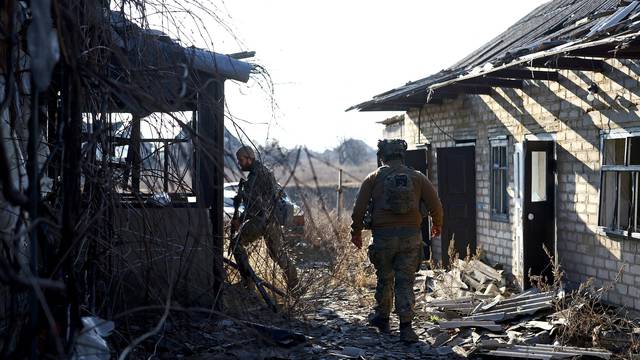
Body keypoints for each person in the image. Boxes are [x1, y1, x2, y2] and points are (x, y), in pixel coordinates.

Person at [350, 139, 443, 343]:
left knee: (385, 278)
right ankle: (406, 328)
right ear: (402, 155)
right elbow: (435, 204)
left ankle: (382, 318)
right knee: (405, 282)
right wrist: (437, 224)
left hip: (383, 238)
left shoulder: (373, 178)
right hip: (411, 238)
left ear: (382, 156)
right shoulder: (418, 177)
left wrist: (355, 232)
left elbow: (358, 210)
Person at [231, 146, 299, 292]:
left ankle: (248, 283)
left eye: (241, 160)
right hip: (271, 219)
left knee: (236, 244)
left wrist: (240, 220)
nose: (239, 163)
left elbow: (253, 206)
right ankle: (295, 286)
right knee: (278, 254)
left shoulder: (256, 175)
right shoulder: (263, 171)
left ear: (249, 159)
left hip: (262, 219)